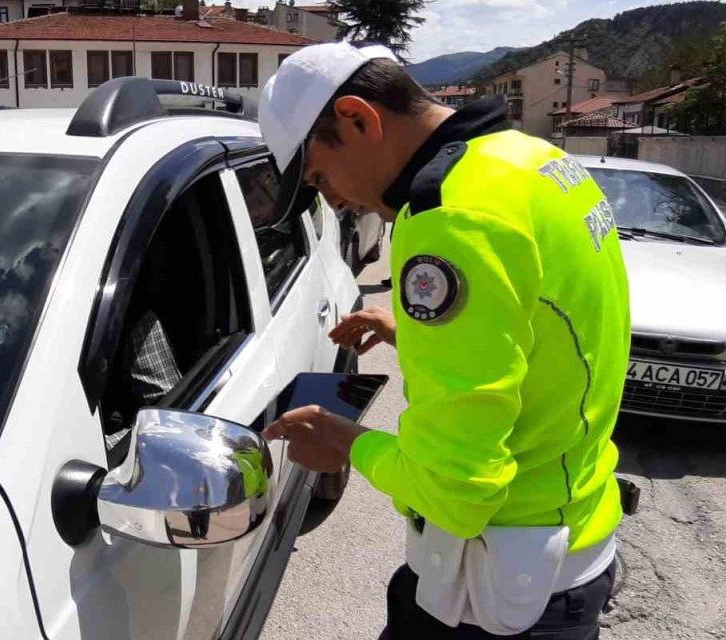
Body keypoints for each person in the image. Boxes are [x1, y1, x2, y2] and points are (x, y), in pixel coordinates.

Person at [259, 42, 631, 639]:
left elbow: (457, 494)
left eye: (319, 176)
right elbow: (542, 336)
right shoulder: (530, 160)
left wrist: (347, 446)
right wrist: (416, 333)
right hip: (570, 539)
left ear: (359, 118)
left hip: (493, 594)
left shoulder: (449, 217)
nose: (331, 200)